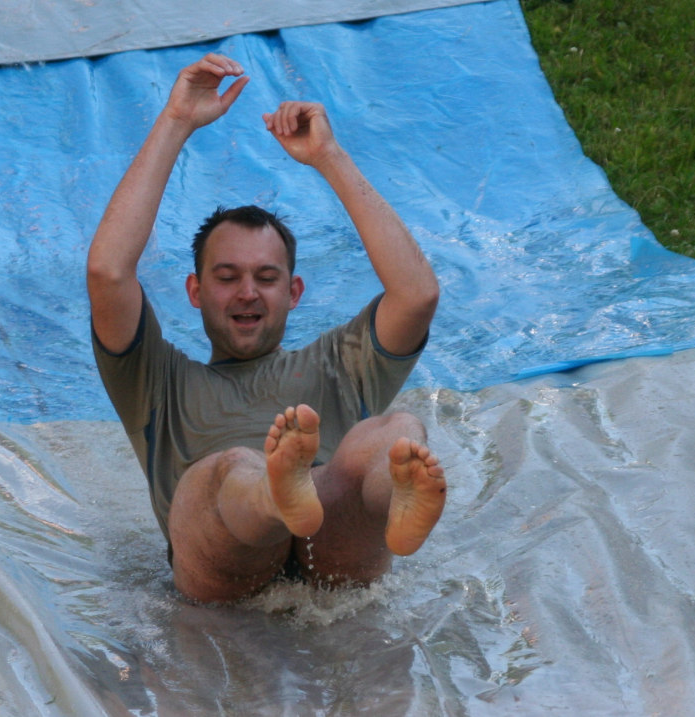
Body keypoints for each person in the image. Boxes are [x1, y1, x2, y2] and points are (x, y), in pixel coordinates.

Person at [87, 53, 446, 604]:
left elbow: (417, 293)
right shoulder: (155, 383)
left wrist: (329, 156)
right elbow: (108, 273)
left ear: (294, 292)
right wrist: (176, 119)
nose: (248, 292)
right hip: (220, 565)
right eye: (227, 277)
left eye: (266, 277)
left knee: (392, 430)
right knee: (230, 468)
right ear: (195, 291)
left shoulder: (338, 364)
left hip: (335, 547)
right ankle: (275, 495)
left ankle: (391, 502)